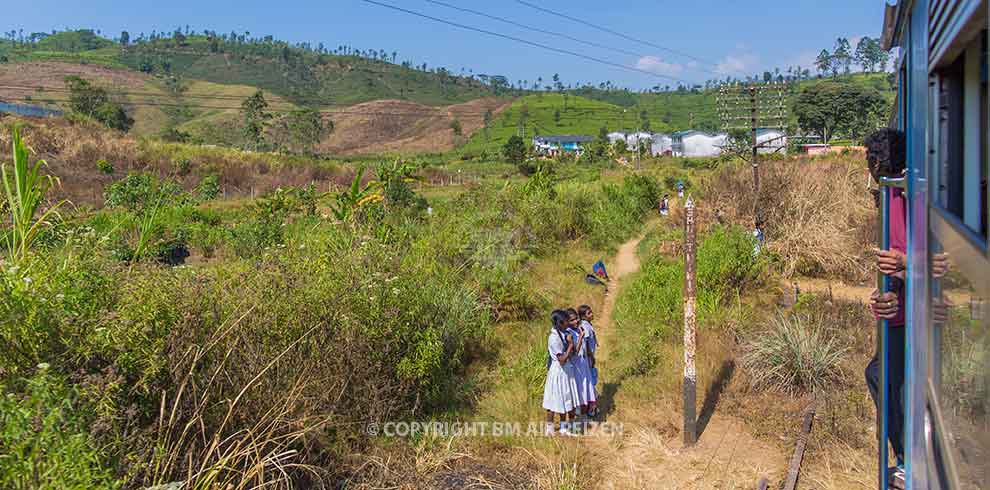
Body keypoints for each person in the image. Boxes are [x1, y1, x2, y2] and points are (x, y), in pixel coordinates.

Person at [863, 127, 907, 489]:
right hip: (894, 310)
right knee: (881, 375)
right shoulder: (891, 196)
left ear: (876, 162)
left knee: (885, 378)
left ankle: (907, 458)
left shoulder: (902, 200)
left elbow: (933, 259)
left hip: (904, 315)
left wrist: (904, 266)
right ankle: (904, 456)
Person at [543, 309, 580, 436]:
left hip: (566, 372)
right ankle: (549, 429)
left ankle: (564, 428)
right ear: (559, 323)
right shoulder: (554, 338)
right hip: (558, 372)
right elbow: (562, 359)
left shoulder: (563, 333)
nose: (568, 323)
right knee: (553, 400)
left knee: (566, 398)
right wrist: (570, 344)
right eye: (566, 321)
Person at [578, 305, 599, 417]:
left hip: (588, 358)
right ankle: (590, 407)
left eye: (591, 312)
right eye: (589, 313)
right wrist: (591, 356)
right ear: (583, 316)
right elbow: (585, 343)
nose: (592, 314)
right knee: (590, 381)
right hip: (587, 359)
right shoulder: (585, 327)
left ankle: (590, 406)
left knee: (591, 380)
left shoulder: (588, 325)